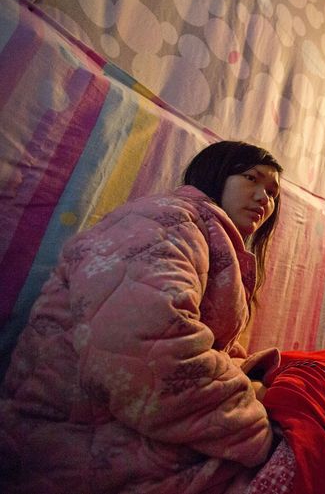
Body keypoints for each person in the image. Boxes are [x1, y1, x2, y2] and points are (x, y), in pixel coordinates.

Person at [0, 140, 284, 494]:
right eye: (250, 179)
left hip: (114, 425)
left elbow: (188, 337)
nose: (264, 199)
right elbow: (143, 347)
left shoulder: (211, 241)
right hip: (66, 436)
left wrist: (255, 378)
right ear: (216, 173)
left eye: (272, 193)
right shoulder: (165, 220)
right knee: (305, 453)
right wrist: (254, 425)